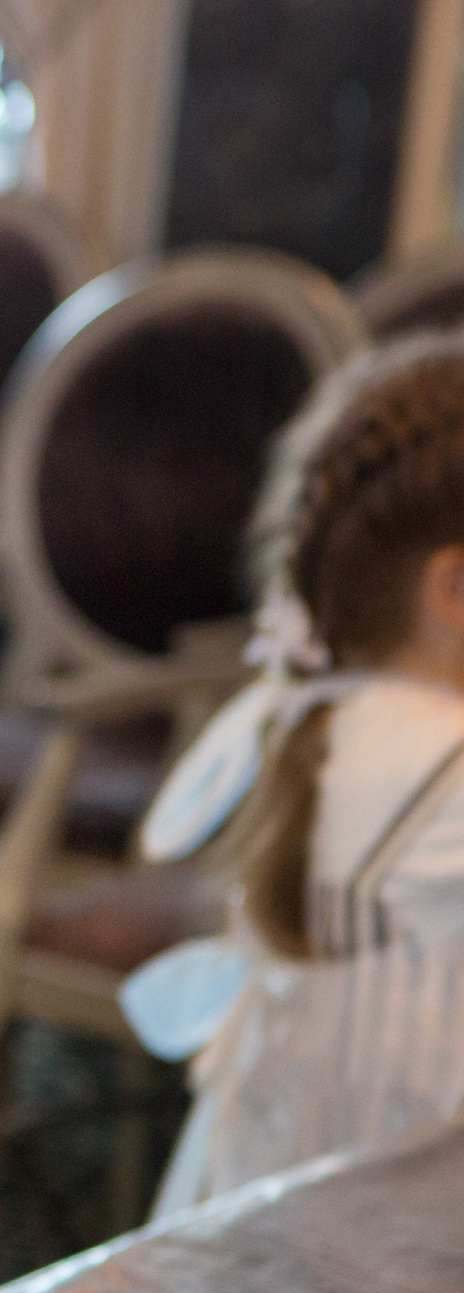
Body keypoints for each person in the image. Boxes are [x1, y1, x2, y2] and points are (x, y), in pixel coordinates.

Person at [125, 331, 464, 1216]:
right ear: (454, 587)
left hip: (272, 1212)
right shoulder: (439, 763)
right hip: (397, 1248)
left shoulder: (318, 713)